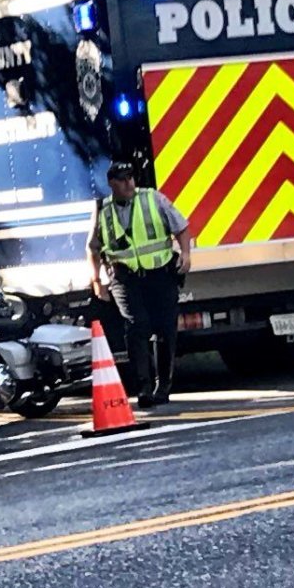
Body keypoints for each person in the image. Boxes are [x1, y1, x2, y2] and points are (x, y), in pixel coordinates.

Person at [87, 161, 193, 409]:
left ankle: (162, 387)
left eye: (131, 178)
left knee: (165, 329)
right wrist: (97, 280)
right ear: (111, 184)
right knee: (137, 327)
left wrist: (186, 254)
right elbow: (93, 248)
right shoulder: (102, 209)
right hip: (125, 278)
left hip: (160, 274)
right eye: (122, 180)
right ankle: (144, 388)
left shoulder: (152, 199)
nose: (129, 184)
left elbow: (181, 226)